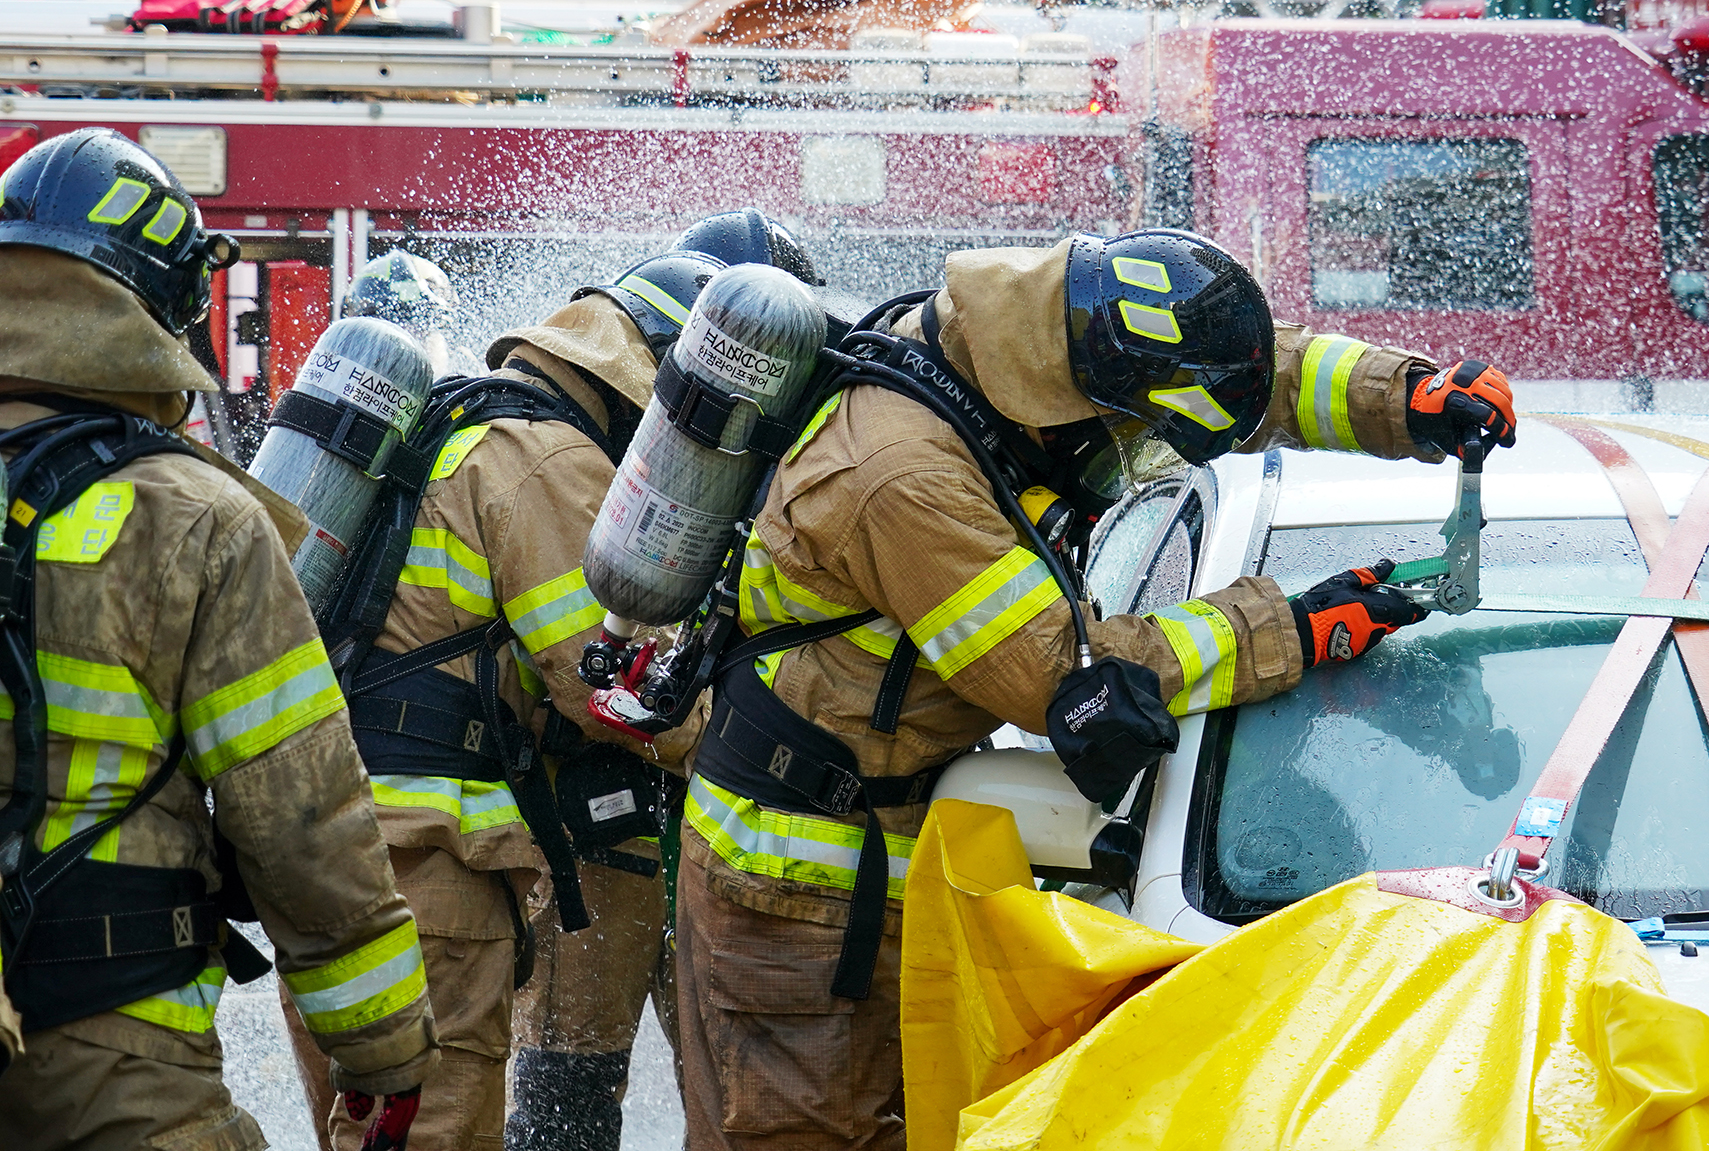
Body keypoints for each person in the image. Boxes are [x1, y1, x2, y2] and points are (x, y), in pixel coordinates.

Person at [668, 229, 1518, 1149]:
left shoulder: (1047, 333)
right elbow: (1059, 674)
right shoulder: (901, 476)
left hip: (874, 843)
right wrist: (1292, 625)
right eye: (1129, 440)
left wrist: (1406, 398)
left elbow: (1231, 364)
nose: (1125, 461)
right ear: (1081, 398)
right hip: (795, 885)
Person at [0, 129, 439, 1150]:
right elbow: (299, 813)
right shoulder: (195, 516)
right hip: (110, 1032)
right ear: (164, 301)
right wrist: (382, 1049)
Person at [281, 248, 722, 1150]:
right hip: (427, 873)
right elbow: (608, 686)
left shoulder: (449, 421)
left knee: (366, 1129)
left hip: (326, 845)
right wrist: (737, 735)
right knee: (433, 1129)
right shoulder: (545, 458)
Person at [506, 212, 826, 1151]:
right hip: (598, 830)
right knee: (570, 1104)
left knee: (722, 1097)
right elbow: (596, 676)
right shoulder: (562, 455)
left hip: (664, 827)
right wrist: (764, 746)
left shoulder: (620, 443)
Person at [343, 250, 483, 379]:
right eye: (387, 338)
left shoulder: (468, 379)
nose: (404, 349)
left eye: (421, 331)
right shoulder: (340, 375)